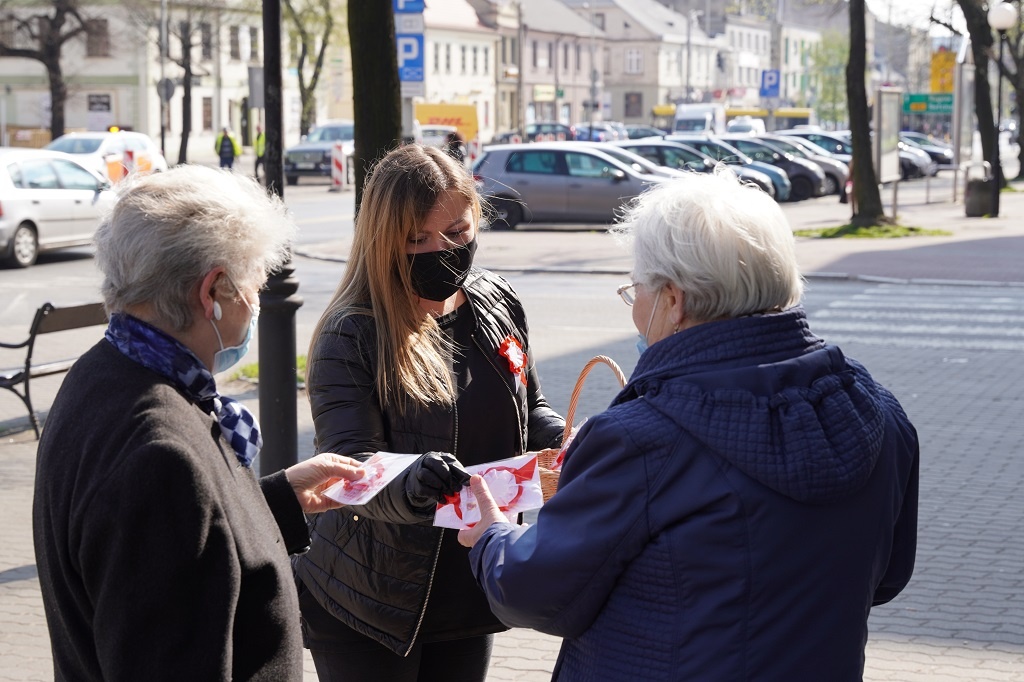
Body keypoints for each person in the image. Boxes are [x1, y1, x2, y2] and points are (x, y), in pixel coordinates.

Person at [458, 169, 920, 680]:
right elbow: (887, 577)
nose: (634, 308)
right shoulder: (877, 410)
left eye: (636, 290)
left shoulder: (640, 440)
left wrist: (491, 538)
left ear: (673, 301)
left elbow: (535, 593)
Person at [32, 165, 367, 680]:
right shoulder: (161, 458)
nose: (256, 302)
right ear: (213, 291)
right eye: (255, 285)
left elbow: (192, 555)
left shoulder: (101, 371)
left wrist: (276, 500)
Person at [292, 144, 566, 681]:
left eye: (458, 233)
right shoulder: (353, 331)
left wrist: (562, 436)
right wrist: (413, 480)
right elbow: (350, 466)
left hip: (470, 581)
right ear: (384, 238)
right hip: (373, 599)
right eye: (418, 239)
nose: (442, 251)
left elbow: (528, 405)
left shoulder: (497, 299)